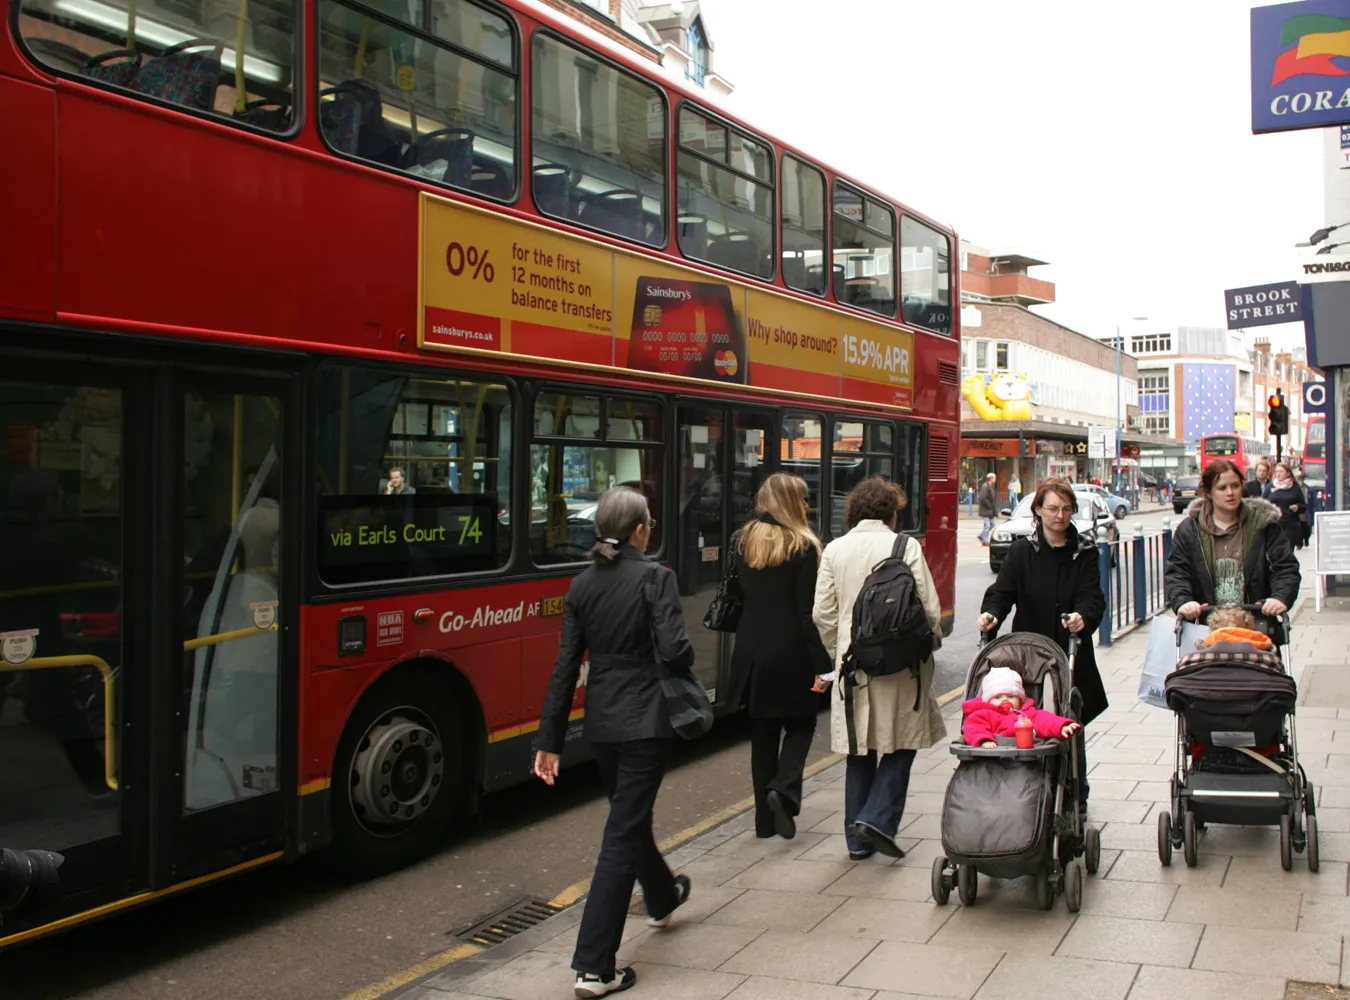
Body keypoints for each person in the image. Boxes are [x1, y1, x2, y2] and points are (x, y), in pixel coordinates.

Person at [533, 487, 693, 998]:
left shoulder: (580, 585)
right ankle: (594, 966)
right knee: (622, 832)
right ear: (640, 529)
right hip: (647, 721)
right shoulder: (656, 578)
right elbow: (676, 650)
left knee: (628, 813)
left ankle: (663, 897)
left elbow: (564, 668)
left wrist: (549, 740)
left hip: (601, 723)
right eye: (649, 519)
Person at [813, 477, 944, 861]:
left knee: (859, 750)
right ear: (891, 512)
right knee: (904, 743)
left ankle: (856, 840)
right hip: (903, 667)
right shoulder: (905, 547)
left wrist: (841, 649)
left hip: (855, 668)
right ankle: (877, 819)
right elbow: (931, 610)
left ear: (852, 511)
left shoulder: (835, 550)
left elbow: (823, 613)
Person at [978, 478, 1107, 814]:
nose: (1060, 516)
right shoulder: (1022, 551)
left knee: (1067, 719)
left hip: (1071, 652)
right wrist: (991, 614)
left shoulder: (1085, 552)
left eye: (1066, 509)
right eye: (1052, 508)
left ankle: (1076, 792)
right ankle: (1030, 789)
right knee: (1027, 721)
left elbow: (1092, 597)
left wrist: (1083, 617)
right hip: (1028, 656)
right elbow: (1002, 592)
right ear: (1038, 510)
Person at [726, 473, 832, 840]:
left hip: (752, 652)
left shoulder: (742, 541)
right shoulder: (803, 546)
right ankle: (784, 789)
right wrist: (824, 666)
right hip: (792, 652)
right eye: (803, 500)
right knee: (802, 724)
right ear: (790, 503)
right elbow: (808, 614)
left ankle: (763, 824)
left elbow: (738, 595)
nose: (807, 506)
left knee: (763, 736)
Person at [1166, 458, 1300, 622]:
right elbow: (1177, 573)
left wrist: (1280, 597)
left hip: (1256, 626)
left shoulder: (1264, 525)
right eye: (1222, 488)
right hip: (1204, 628)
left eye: (1235, 486)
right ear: (1208, 492)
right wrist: (1183, 602)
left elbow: (1285, 567)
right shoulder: (1189, 530)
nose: (1230, 492)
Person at [962, 667, 1081, 748]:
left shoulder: (1027, 715)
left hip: (1023, 762)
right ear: (988, 700)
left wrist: (1062, 727)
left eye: (1010, 696)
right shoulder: (984, 714)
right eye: (998, 697)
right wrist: (984, 740)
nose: (1005, 700)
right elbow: (973, 727)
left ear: (1020, 699)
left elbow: (1046, 721)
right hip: (993, 759)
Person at [1268, 461, 1307, 551]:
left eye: (1281, 471)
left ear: (1288, 473)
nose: (1278, 474)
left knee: (1288, 553)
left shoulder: (1295, 488)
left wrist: (1297, 507)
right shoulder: (1270, 486)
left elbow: (1303, 506)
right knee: (1276, 553)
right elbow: (1262, 503)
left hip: (1290, 525)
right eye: (1277, 471)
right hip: (1275, 525)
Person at [977, 472, 997, 546]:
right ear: (991, 478)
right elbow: (983, 498)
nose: (995, 480)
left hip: (989, 510)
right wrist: (989, 506)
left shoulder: (990, 487)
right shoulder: (985, 486)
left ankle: (982, 535)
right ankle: (985, 540)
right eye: (994, 478)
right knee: (987, 525)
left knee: (992, 524)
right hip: (985, 510)